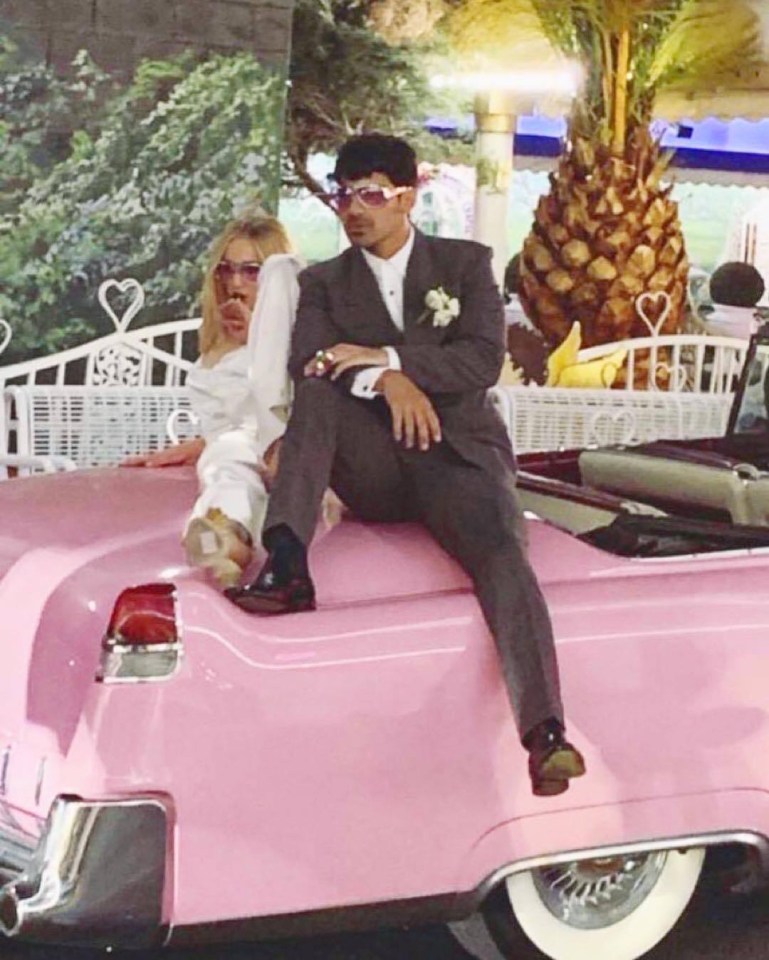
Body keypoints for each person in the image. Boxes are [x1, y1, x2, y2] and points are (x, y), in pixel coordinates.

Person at [227, 133, 586, 797]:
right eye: (342, 195)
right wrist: (383, 384)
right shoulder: (323, 283)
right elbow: (311, 359)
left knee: (503, 558)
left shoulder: (465, 264)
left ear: (406, 198)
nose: (352, 209)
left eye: (369, 195)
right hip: (376, 465)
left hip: (457, 460)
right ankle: (286, 561)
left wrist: (390, 361)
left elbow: (480, 360)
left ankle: (544, 734)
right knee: (316, 393)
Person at [125, 212, 302, 587]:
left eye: (251, 271)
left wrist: (261, 333)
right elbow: (229, 417)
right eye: (227, 270)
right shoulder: (217, 342)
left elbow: (280, 402)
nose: (235, 284)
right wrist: (201, 443)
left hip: (279, 449)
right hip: (231, 450)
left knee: (230, 460)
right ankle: (220, 543)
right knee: (226, 456)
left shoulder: (294, 338)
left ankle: (230, 533)